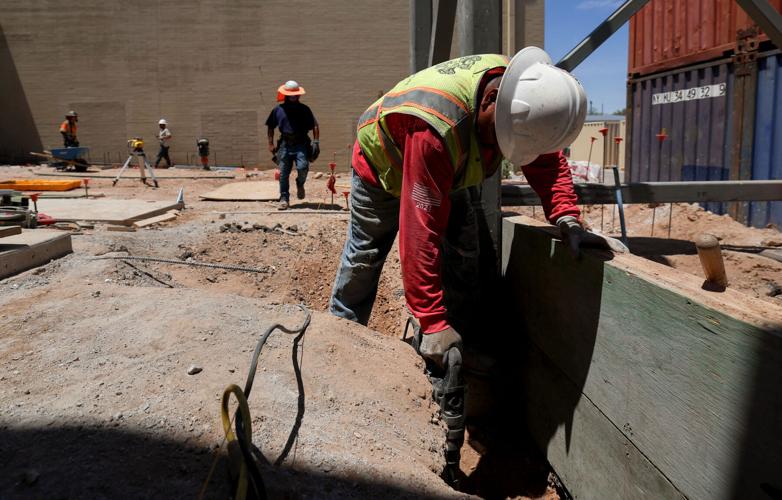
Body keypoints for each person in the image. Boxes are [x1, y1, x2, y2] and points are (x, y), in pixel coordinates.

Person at [329, 47, 625, 366]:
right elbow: (419, 233)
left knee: (464, 253)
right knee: (365, 255)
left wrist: (568, 219)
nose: (499, 151)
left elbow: (547, 162)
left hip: (449, 163)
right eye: (500, 139)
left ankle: (457, 344)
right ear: (488, 102)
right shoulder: (437, 128)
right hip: (382, 162)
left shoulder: (525, 95)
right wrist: (429, 319)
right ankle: (339, 343)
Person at [265, 80, 320, 210]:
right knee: (283, 173)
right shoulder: (277, 110)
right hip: (285, 144)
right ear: (285, 95)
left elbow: (315, 125)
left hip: (301, 143)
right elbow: (270, 127)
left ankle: (300, 184)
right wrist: (270, 143)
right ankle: (284, 198)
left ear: (299, 95)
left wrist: (316, 142)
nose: (293, 96)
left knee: (303, 167)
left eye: (296, 94)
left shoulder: (305, 109)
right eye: (291, 94)